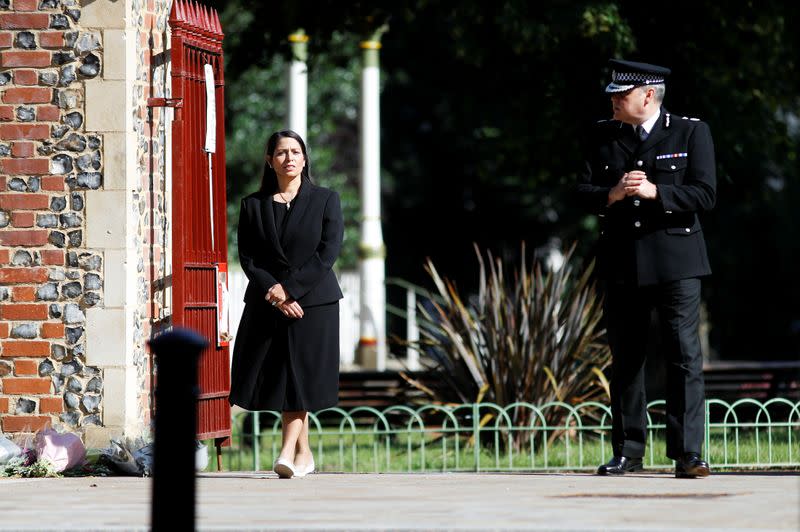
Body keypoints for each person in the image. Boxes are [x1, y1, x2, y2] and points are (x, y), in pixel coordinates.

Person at [577, 59, 716, 478]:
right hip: (622, 261)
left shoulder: (691, 131)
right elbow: (581, 191)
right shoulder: (603, 136)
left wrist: (660, 192)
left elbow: (706, 194)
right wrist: (612, 193)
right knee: (626, 359)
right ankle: (628, 450)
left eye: (622, 96)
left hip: (676, 260)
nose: (615, 102)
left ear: (648, 95)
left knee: (683, 355)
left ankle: (688, 453)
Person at [229, 129, 344, 479]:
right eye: (281, 152)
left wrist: (292, 291)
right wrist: (276, 294)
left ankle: (285, 453)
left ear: (305, 158)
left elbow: (328, 252)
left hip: (315, 304)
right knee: (282, 377)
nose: (289, 158)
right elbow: (248, 257)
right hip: (268, 304)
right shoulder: (253, 205)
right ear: (270, 160)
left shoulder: (326, 199)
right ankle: (304, 454)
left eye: (295, 152)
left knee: (300, 379)